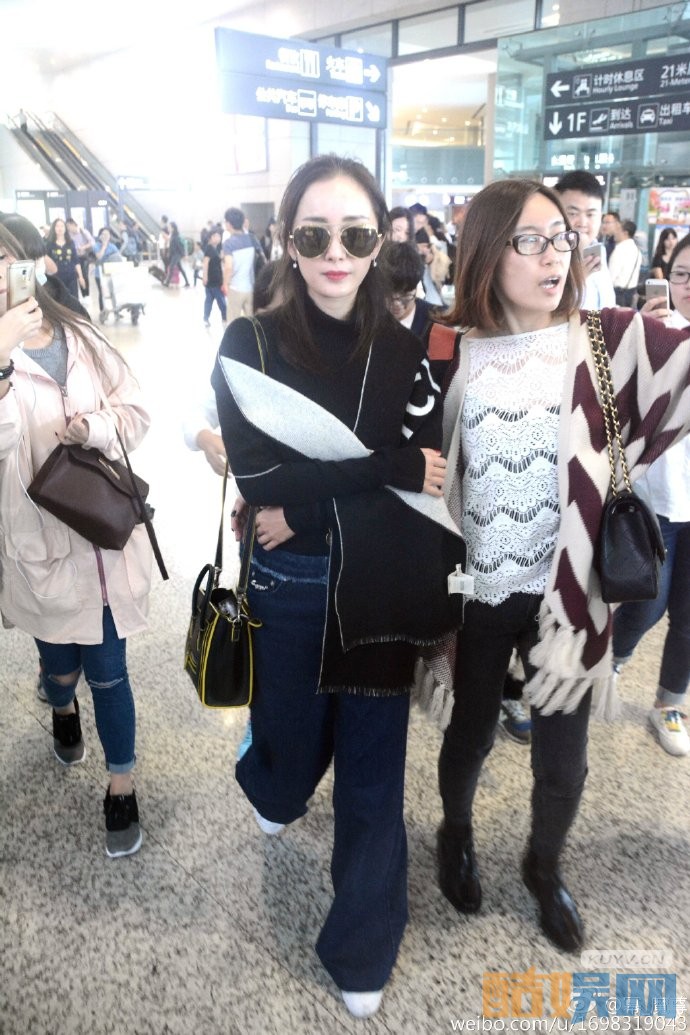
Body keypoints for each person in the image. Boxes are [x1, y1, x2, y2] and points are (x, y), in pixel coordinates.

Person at [211, 154, 464, 1019]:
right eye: (314, 235)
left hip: (376, 583)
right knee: (288, 750)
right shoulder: (248, 344)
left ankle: (364, 939)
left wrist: (314, 503)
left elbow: (422, 478)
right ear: (287, 240)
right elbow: (259, 475)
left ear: (379, 239)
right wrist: (384, 467)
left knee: (372, 776)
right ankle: (272, 781)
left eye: (355, 235)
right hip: (287, 583)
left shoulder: (400, 350)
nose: (335, 254)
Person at [428, 178, 690, 955]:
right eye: (532, 240)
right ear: (487, 252)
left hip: (571, 595)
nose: (555, 255)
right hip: (477, 590)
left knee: (565, 764)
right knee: (470, 734)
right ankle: (455, 832)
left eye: (564, 238)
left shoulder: (608, 340)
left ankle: (543, 866)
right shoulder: (449, 350)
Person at [0, 221, 153, 857]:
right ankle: (62, 706)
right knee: (62, 667)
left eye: (4, 258)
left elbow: (136, 412)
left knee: (110, 672)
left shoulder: (82, 335)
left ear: (30, 264)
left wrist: (96, 428)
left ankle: (122, 784)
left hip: (104, 539)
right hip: (38, 548)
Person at [611, 232, 690, 757]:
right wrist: (639, 342)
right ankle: (610, 663)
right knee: (645, 602)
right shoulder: (656, 334)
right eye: (682, 274)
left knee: (688, 616)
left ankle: (670, 702)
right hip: (657, 497)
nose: (688, 285)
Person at [0, 213, 89, 320]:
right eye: (2, 257)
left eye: (35, 258)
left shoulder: (56, 292)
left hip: (67, 278)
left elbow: (63, 265)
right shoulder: (51, 244)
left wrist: (80, 276)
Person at [555, 171, 615, 309]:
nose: (582, 223)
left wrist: (633, 318)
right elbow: (542, 316)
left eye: (590, 214)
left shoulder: (598, 250)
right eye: (573, 213)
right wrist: (577, 280)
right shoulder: (547, 257)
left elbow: (601, 309)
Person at [222, 207, 257, 321]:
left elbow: (228, 267)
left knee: (233, 322)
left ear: (229, 224)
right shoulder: (251, 239)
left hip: (235, 288)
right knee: (251, 323)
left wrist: (225, 284)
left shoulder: (229, 243)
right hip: (250, 288)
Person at [45, 218, 85, 300]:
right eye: (57, 226)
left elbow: (76, 260)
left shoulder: (70, 242)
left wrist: (80, 277)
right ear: (53, 228)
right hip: (56, 277)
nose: (60, 228)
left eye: (62, 226)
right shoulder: (49, 244)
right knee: (59, 300)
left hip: (71, 276)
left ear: (65, 228)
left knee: (73, 300)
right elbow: (46, 261)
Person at [607, 214, 642, 307]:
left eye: (618, 229)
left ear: (625, 233)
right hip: (630, 294)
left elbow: (610, 278)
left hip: (617, 295)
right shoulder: (637, 250)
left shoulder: (619, 250)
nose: (615, 232)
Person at [65, 217, 95, 297]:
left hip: (84, 257)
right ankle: (82, 295)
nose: (68, 228)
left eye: (68, 226)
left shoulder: (83, 232)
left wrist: (83, 247)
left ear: (73, 224)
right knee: (78, 276)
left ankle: (86, 294)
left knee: (84, 275)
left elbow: (92, 242)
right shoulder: (69, 235)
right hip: (75, 257)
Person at [202, 228, 226, 326]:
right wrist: (205, 277)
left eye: (219, 236)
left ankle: (206, 318)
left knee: (209, 301)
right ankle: (225, 319)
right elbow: (205, 263)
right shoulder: (209, 248)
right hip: (213, 280)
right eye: (217, 236)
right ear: (211, 237)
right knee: (221, 302)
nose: (219, 238)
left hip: (213, 279)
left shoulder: (214, 248)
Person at [163, 221, 189, 287]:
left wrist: (184, 255)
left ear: (173, 228)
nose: (168, 228)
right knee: (180, 268)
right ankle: (187, 282)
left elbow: (180, 246)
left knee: (171, 267)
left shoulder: (176, 236)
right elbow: (171, 246)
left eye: (169, 227)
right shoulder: (172, 235)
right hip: (173, 255)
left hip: (177, 255)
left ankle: (167, 282)